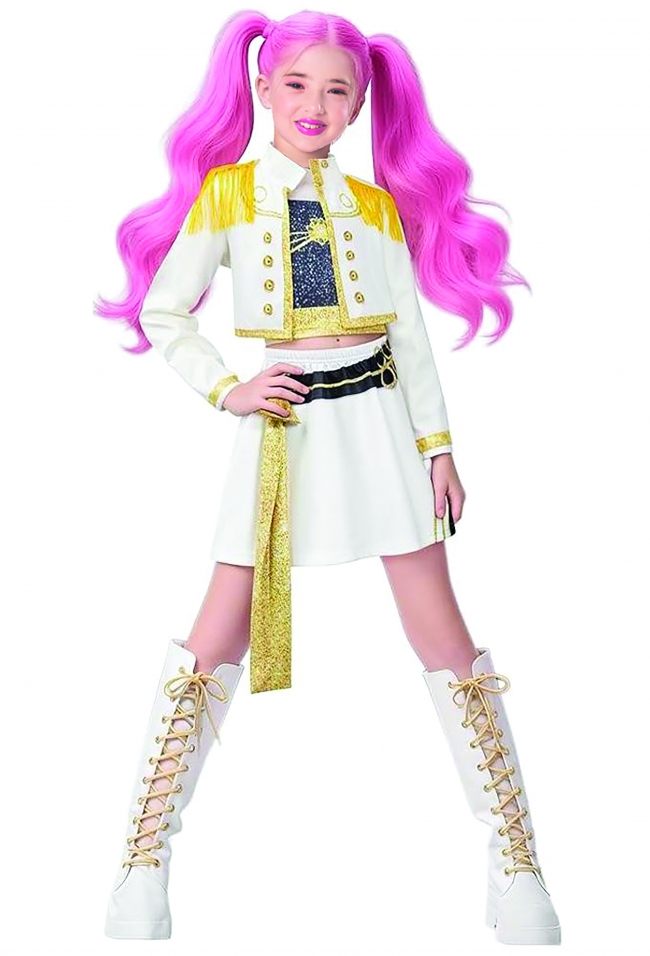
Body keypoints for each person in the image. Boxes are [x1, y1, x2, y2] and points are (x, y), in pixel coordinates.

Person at [95, 9, 561, 945]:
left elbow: (410, 337)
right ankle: (143, 857)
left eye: (337, 89)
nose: (315, 104)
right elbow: (168, 312)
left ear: (360, 105)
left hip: (379, 423)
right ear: (263, 88)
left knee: (445, 634)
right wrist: (228, 388)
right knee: (216, 634)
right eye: (298, 84)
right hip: (283, 434)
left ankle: (516, 859)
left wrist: (437, 447)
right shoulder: (228, 196)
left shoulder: (376, 207)